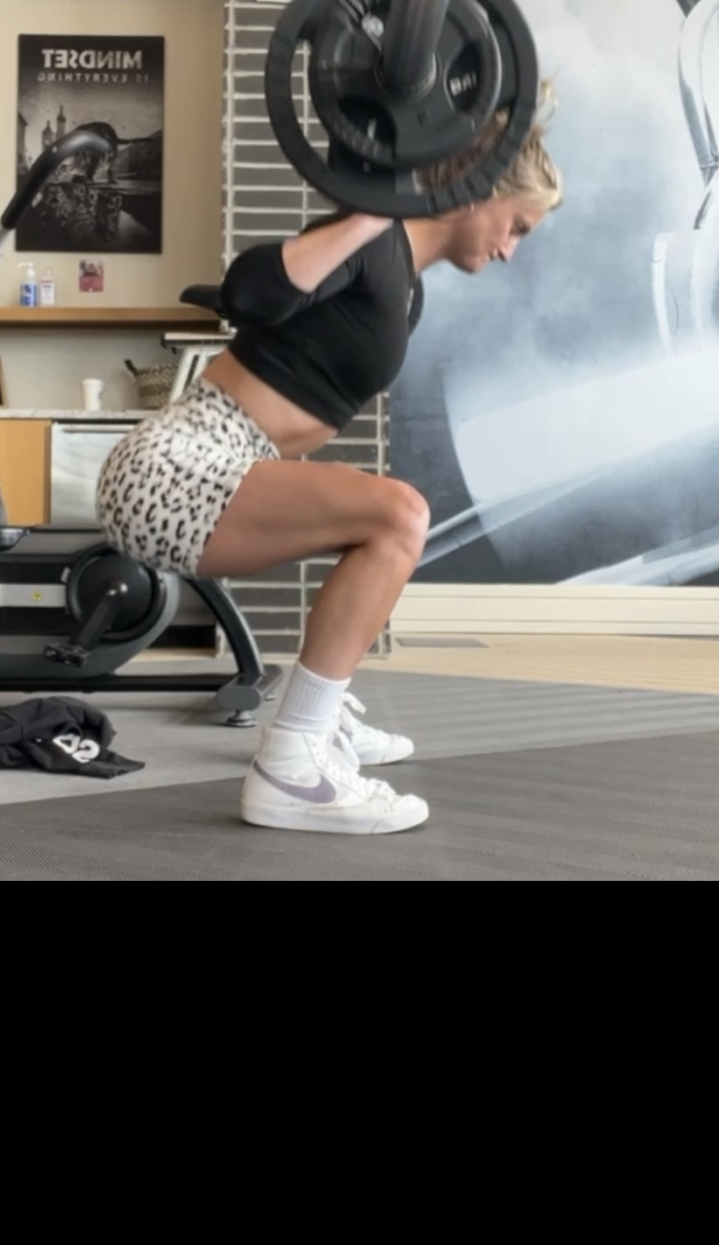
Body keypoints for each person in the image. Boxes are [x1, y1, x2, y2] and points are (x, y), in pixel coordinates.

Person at [96, 97, 562, 837]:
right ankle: (293, 766)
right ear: (479, 191)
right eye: (518, 228)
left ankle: (318, 717)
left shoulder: (405, 289)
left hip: (222, 461)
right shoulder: (373, 241)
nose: (510, 250)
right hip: (173, 467)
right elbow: (248, 291)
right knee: (400, 515)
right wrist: (373, 213)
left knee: (381, 517)